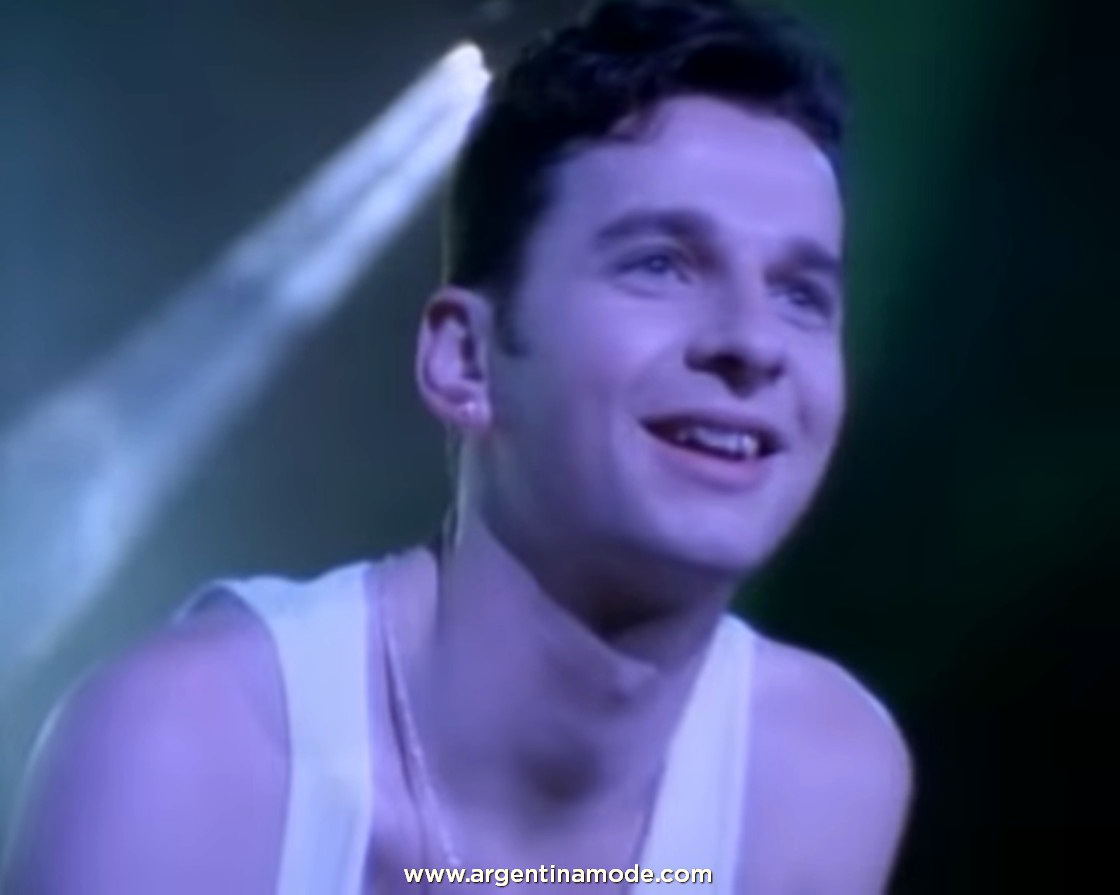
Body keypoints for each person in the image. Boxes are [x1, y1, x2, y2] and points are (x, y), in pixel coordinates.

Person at [4, 0, 912, 892]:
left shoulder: (819, 779)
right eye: (659, 264)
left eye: (801, 294)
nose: (753, 341)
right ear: (464, 359)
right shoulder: (189, 753)